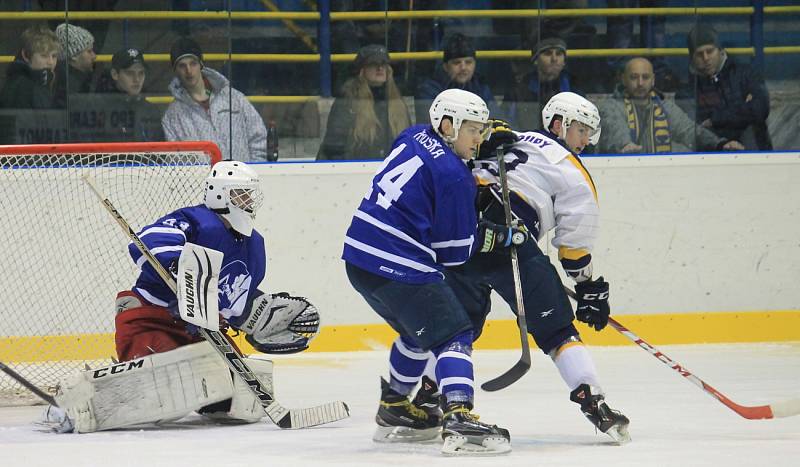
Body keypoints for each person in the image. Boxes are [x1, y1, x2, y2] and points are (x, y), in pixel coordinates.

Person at [43, 161, 321, 433]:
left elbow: (234, 303)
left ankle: (207, 396)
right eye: (241, 193)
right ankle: (72, 403)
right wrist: (182, 268)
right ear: (221, 194)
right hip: (152, 320)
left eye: (249, 194)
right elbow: (147, 241)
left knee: (242, 401)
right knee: (160, 386)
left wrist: (259, 315)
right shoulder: (197, 221)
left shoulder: (253, 245)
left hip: (202, 334)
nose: (248, 200)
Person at [343, 89, 525, 455]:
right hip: (398, 262)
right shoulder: (455, 177)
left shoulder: (412, 134)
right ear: (447, 125)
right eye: (473, 130)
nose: (480, 138)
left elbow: (426, 175)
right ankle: (459, 415)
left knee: (417, 331)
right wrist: (495, 236)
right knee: (455, 333)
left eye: (482, 130)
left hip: (359, 259)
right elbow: (454, 254)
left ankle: (395, 406)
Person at [445, 92, 631, 444]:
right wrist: (587, 285)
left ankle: (425, 395)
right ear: (559, 124)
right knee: (558, 330)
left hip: (462, 227)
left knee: (455, 327)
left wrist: (486, 139)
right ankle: (592, 401)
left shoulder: (507, 138)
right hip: (511, 237)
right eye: (582, 130)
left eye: (591, 132)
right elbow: (575, 244)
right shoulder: (571, 167)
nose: (586, 141)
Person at [598, 57, 744, 154]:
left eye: (645, 77)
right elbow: (615, 130)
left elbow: (689, 131)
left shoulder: (666, 107)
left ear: (653, 80)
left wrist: (720, 144)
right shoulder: (610, 107)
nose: (640, 83)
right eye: (634, 77)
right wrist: (624, 145)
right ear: (623, 79)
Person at [162, 37, 268, 161]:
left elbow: (258, 138)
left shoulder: (233, 98)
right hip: (203, 180)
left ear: (201, 64)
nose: (189, 71)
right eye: (182, 66)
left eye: (193, 63)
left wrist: (254, 170)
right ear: (175, 71)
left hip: (242, 178)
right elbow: (177, 163)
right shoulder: (172, 117)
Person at [677, 23, 772, 151]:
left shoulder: (747, 74)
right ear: (692, 58)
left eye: (710, 51)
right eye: (699, 54)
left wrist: (715, 119)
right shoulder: (686, 92)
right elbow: (696, 130)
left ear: (720, 51)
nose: (706, 58)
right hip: (712, 158)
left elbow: (760, 109)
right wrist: (743, 110)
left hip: (755, 155)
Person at [317, 44, 411, 160]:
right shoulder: (348, 101)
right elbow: (334, 146)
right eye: (373, 64)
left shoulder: (397, 102)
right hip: (355, 169)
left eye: (383, 64)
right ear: (361, 70)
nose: (380, 68)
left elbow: (409, 143)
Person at [415, 33, 499, 124]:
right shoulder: (428, 89)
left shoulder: (481, 86)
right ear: (445, 66)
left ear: (475, 64)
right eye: (456, 63)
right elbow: (436, 125)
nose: (463, 67)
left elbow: (496, 120)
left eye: (468, 62)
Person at [502, 37, 577, 131]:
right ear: (536, 60)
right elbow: (508, 125)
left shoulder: (574, 90)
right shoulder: (518, 91)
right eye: (548, 54)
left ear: (564, 62)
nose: (554, 59)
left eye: (558, 54)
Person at [92, 47, 164, 141]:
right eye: (130, 73)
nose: (137, 79)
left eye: (141, 73)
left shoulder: (151, 110)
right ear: (115, 74)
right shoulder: (101, 111)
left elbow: (161, 150)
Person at [0, 25, 60, 110]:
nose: (50, 62)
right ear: (26, 55)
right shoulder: (22, 88)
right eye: (44, 56)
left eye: (54, 56)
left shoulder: (47, 80)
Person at [53, 22, 97, 107]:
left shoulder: (68, 79)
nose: (94, 56)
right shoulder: (70, 86)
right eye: (89, 51)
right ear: (74, 56)